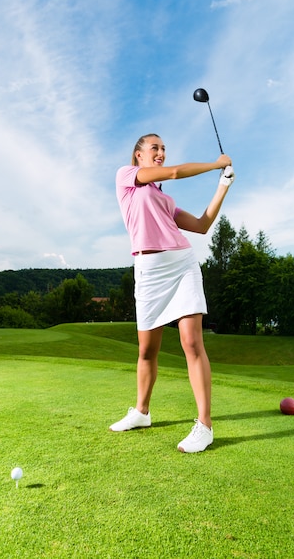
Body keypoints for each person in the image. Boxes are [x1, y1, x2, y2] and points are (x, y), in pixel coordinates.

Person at [109, 133, 235, 453]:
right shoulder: (127, 177)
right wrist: (215, 164)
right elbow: (176, 172)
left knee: (191, 342)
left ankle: (204, 425)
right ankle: (141, 412)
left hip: (181, 266)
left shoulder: (166, 201)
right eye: (155, 148)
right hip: (148, 271)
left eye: (164, 148)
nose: (161, 152)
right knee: (146, 351)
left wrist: (223, 185)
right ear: (139, 155)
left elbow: (203, 225)